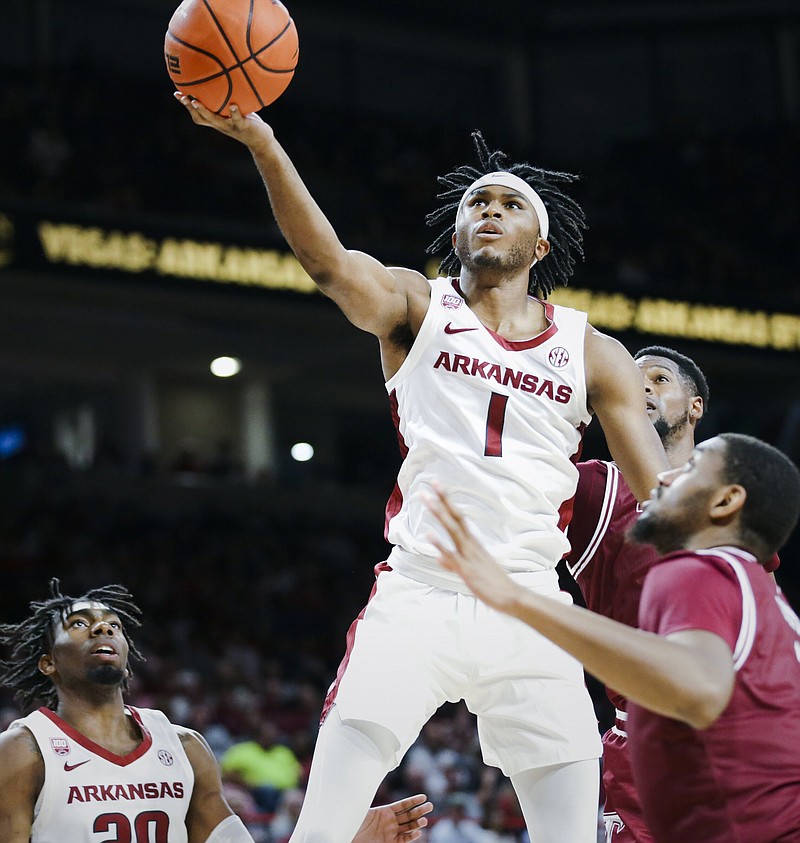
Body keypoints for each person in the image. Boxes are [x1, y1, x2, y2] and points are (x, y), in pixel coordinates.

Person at [176, 94, 670, 843]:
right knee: (322, 830)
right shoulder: (418, 305)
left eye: (510, 203)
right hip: (420, 592)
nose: (490, 211)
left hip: (533, 603)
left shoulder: (596, 353)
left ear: (540, 245)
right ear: (458, 230)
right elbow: (326, 263)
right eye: (477, 202)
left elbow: (660, 500)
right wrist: (264, 143)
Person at [428, 432, 800, 843]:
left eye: (691, 469)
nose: (664, 477)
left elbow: (699, 687)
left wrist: (517, 599)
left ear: (726, 501)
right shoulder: (764, 595)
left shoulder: (702, 569)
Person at [0, 580, 433, 843]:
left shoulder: (184, 746)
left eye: (112, 624)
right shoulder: (23, 750)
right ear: (48, 663)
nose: (102, 627)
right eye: (79, 624)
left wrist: (339, 837)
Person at [565, 345, 782, 841]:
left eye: (659, 379)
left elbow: (771, 618)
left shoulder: (731, 502)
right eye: (631, 379)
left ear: (695, 405)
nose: (642, 387)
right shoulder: (598, 486)